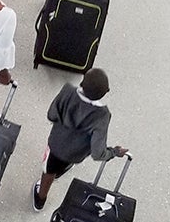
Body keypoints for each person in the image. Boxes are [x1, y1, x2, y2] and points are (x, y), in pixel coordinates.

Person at [32, 67, 129, 211]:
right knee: (63, 164)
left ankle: (40, 199)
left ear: (82, 82)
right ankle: (61, 171)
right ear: (106, 92)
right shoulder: (102, 115)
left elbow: (51, 115)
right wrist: (114, 152)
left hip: (56, 146)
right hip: (76, 154)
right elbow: (97, 153)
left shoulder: (67, 91)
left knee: (48, 171)